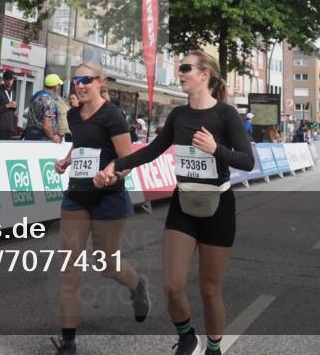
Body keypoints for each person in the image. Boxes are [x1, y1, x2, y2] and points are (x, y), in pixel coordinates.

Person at [99, 51, 254, 355]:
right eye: (179, 69)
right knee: (172, 286)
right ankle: (187, 338)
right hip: (183, 204)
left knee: (210, 291)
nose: (180, 73)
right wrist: (116, 166)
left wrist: (215, 149)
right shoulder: (179, 116)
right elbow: (152, 151)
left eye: (185, 69)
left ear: (205, 74)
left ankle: (213, 348)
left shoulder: (226, 115)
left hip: (218, 207)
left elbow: (247, 161)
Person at [51, 61, 149, 354]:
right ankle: (68, 340)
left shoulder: (113, 116)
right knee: (69, 266)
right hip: (77, 195)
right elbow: (81, 141)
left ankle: (137, 285)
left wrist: (111, 174)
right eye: (76, 80)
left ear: (100, 81)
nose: (79, 85)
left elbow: (127, 161)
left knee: (106, 265)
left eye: (86, 80)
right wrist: (67, 160)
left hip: (109, 197)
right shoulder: (74, 114)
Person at [25, 74, 63, 142]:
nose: (59, 87)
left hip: (30, 134)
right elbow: (46, 125)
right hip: (42, 137)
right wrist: (53, 137)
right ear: (56, 86)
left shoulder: (37, 96)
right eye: (58, 85)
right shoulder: (48, 100)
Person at [0, 70, 19, 140]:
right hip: (0, 127)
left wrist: (15, 107)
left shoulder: (13, 92)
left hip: (10, 127)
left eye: (11, 79)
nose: (9, 82)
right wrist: (7, 106)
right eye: (7, 79)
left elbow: (13, 109)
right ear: (3, 80)